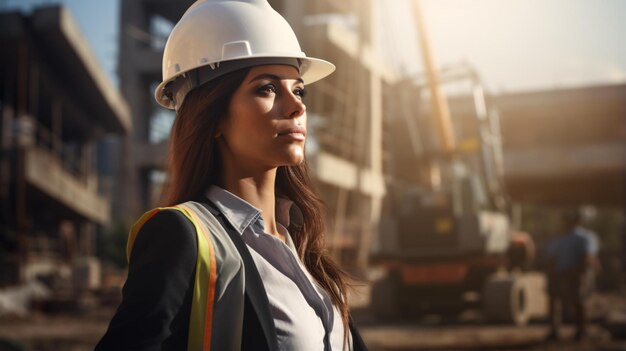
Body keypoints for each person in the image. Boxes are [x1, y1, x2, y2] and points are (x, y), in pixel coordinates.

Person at [95, 1, 367, 350]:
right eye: (266, 88)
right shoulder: (180, 236)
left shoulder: (300, 245)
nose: (296, 106)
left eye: (299, 90)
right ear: (213, 116)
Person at [543, 208, 600, 341]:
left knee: (578, 302)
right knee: (571, 302)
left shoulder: (580, 237)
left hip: (575, 273)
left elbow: (588, 258)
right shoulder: (569, 238)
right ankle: (566, 331)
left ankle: (580, 331)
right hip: (564, 273)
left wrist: (577, 272)